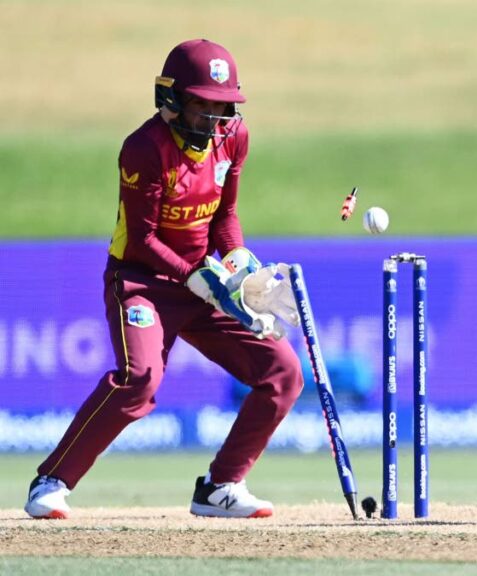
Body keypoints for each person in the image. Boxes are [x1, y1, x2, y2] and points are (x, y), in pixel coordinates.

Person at [24, 39, 303, 519]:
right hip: (141, 280)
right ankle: (51, 481)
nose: (214, 120)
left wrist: (239, 265)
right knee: (140, 379)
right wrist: (193, 276)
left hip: (203, 282)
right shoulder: (144, 148)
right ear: (171, 99)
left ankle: (220, 487)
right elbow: (143, 238)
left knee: (282, 373)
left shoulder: (233, 138)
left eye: (223, 107)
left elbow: (225, 216)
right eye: (202, 105)